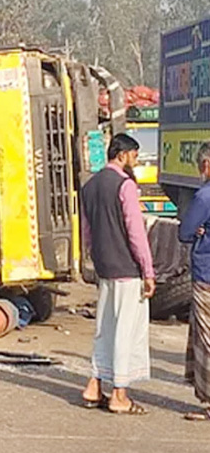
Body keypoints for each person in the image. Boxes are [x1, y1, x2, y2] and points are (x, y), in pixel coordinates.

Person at [80, 133, 155, 415]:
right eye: (134, 155)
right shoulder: (125, 186)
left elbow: (87, 233)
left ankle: (94, 385)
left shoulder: (89, 186)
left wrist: (96, 258)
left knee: (105, 328)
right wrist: (148, 270)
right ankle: (119, 394)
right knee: (126, 330)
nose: (135, 161)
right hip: (127, 268)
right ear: (122, 155)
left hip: (105, 268)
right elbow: (136, 233)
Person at [178, 141, 210, 421]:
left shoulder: (204, 196)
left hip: (206, 274)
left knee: (206, 338)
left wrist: (198, 230)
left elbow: (185, 232)